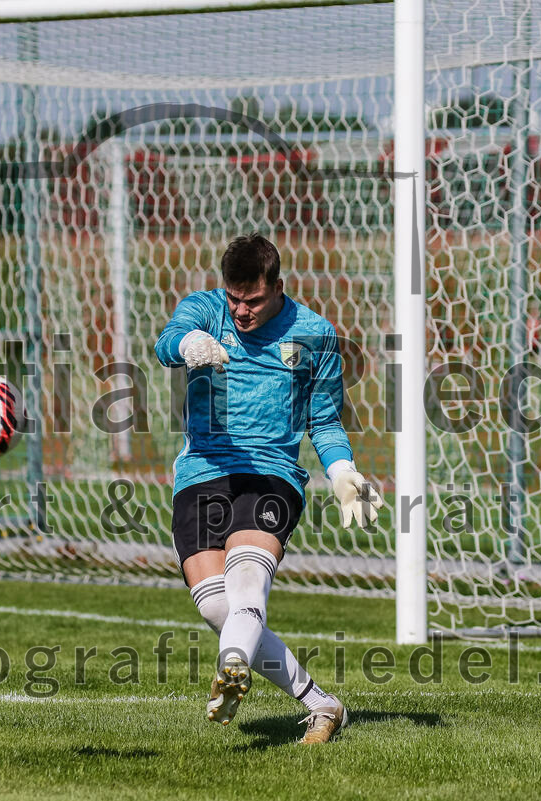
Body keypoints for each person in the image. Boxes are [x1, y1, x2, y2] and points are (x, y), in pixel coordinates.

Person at [154, 233, 382, 745]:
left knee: (247, 585)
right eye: (234, 298)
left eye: (252, 300)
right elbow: (166, 342)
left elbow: (323, 419)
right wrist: (188, 345)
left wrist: (342, 471)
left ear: (277, 286)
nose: (240, 311)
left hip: (272, 474)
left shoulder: (314, 334)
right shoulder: (204, 310)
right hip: (203, 469)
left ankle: (231, 664)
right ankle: (323, 704)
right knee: (216, 606)